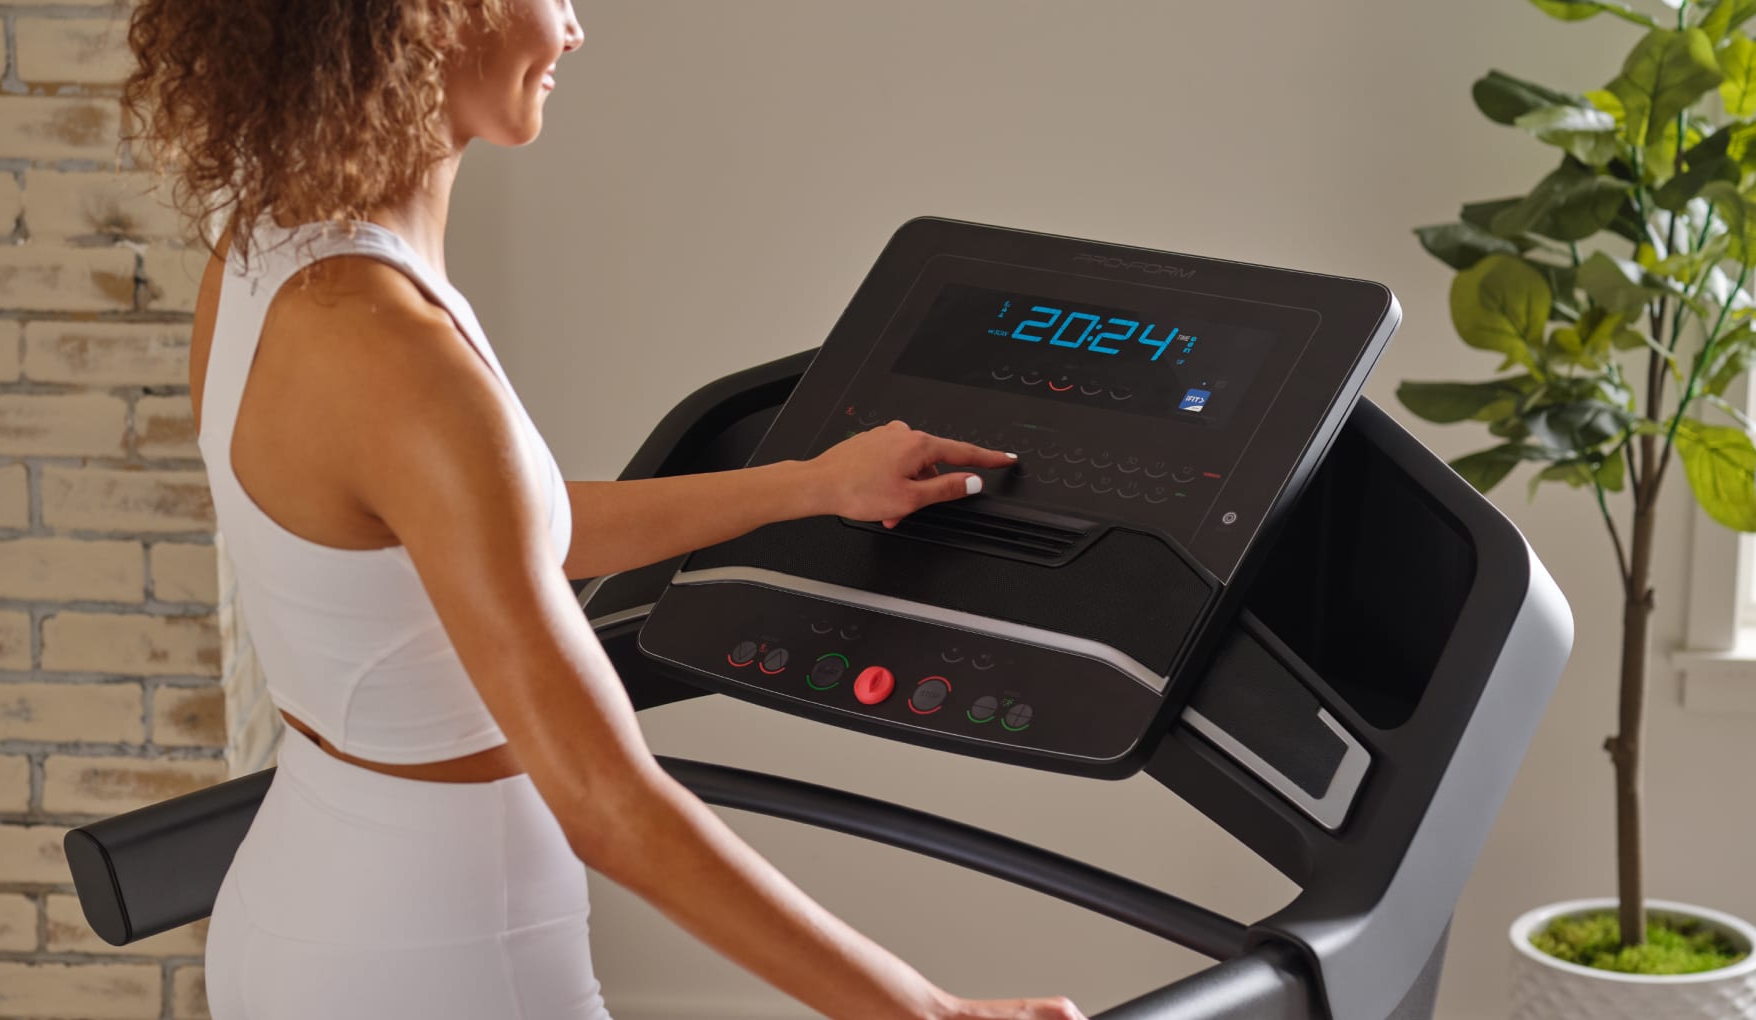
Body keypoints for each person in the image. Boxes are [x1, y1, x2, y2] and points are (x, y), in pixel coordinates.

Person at [123, 1, 1087, 1017]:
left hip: (308, 901)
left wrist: (807, 486)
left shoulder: (268, 250)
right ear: (431, 18)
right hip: (444, 955)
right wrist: (927, 1013)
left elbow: (473, 537)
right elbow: (604, 802)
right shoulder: (398, 356)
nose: (574, 29)